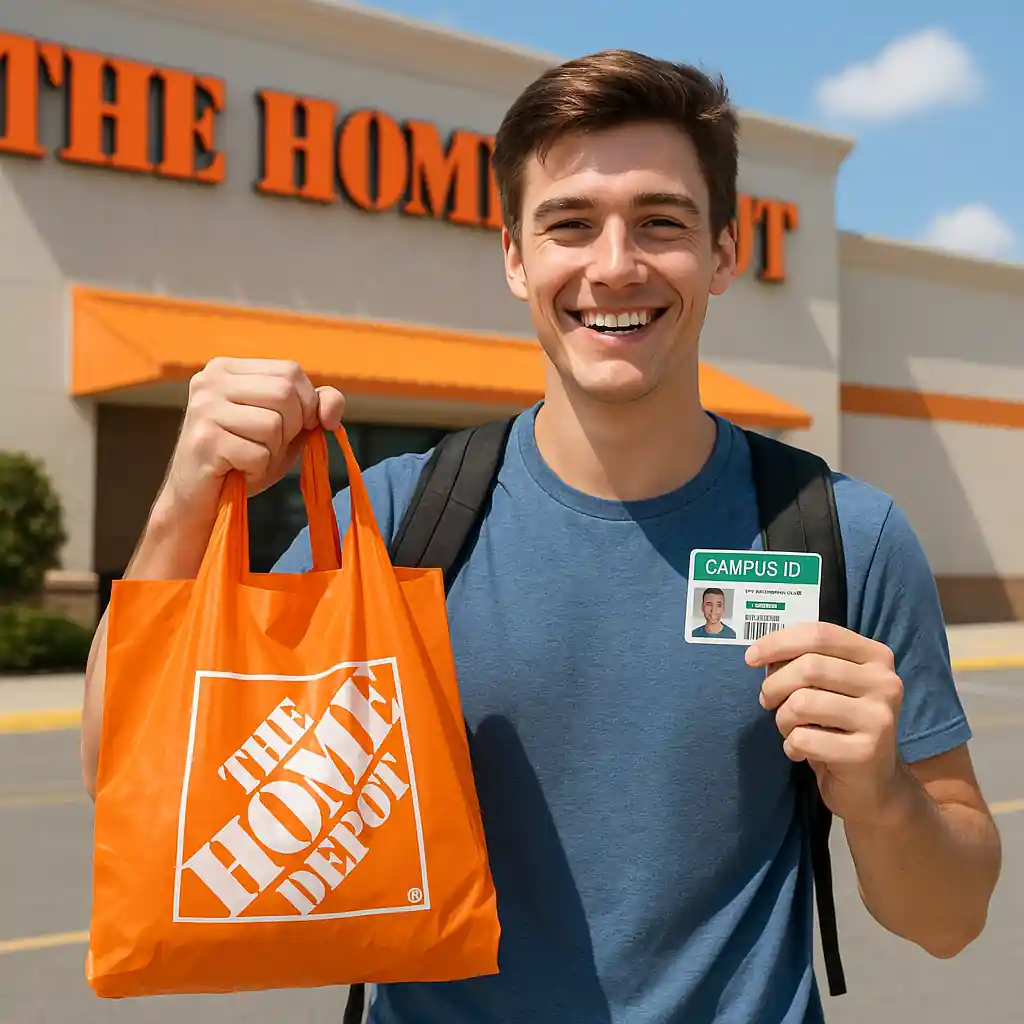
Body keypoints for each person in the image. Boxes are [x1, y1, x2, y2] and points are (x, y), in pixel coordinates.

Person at [81, 49, 1002, 1024]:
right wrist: (183, 502)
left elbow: (947, 919)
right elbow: (124, 772)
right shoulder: (395, 525)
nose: (614, 265)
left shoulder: (842, 534)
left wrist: (881, 797)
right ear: (515, 255)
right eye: (569, 224)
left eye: (661, 222)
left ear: (725, 252)